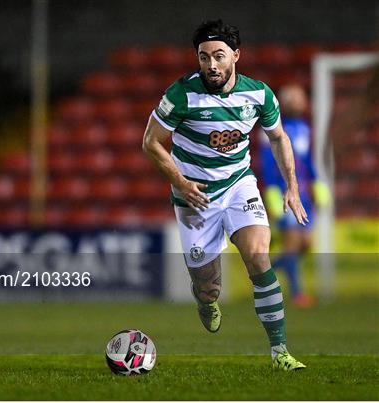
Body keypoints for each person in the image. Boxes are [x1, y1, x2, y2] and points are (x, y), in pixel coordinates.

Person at [142, 19, 307, 370]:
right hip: (194, 196)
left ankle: (280, 352)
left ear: (236, 55)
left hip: (238, 185)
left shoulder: (259, 94)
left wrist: (292, 186)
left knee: (258, 256)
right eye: (204, 57)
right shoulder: (180, 94)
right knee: (208, 287)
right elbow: (151, 142)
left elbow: (278, 137)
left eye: (218, 56)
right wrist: (182, 183)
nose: (211, 65)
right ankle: (205, 300)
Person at [259, 84, 331, 308]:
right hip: (282, 192)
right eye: (294, 98)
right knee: (291, 242)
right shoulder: (271, 129)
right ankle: (297, 293)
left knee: (306, 243)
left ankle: (264, 271)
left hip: (304, 194)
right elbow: (268, 162)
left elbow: (307, 159)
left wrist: (317, 182)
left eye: (301, 98)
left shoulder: (303, 128)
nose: (300, 102)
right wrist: (271, 190)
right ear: (285, 102)